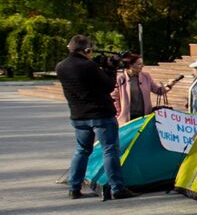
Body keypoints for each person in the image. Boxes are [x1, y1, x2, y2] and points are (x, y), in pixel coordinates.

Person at [56, 35, 132, 201]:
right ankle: (117, 188)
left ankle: (74, 188)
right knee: (110, 150)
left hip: (78, 116)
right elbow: (108, 85)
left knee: (81, 150)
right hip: (100, 115)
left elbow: (84, 79)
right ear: (87, 50)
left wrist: (101, 66)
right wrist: (111, 69)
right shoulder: (88, 66)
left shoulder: (61, 66)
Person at [112, 54, 171, 124]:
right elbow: (114, 98)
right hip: (127, 118)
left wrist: (169, 85)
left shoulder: (146, 76)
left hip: (144, 116)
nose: (142, 66)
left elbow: (158, 91)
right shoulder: (120, 79)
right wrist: (119, 113)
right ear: (131, 65)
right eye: (139, 64)